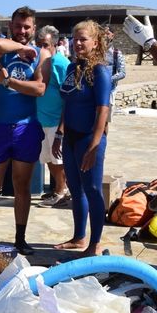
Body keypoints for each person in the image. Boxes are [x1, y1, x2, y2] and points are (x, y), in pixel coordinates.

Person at [0, 6, 46, 255]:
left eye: (27, 27)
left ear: (34, 29)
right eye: (18, 26)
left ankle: (20, 238)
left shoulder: (41, 55)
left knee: (22, 185)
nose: (23, 31)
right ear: (11, 27)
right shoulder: (3, 51)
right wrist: (20, 48)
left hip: (26, 127)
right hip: (0, 127)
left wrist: (7, 81)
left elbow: (39, 89)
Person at [51, 21, 112, 256]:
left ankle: (95, 243)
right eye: (74, 39)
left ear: (95, 42)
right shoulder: (71, 69)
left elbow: (102, 110)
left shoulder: (100, 71)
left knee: (94, 189)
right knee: (75, 189)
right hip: (70, 138)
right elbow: (67, 103)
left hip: (89, 139)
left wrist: (95, 145)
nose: (77, 43)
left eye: (83, 39)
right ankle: (79, 237)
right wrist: (59, 132)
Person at [34, 25, 71, 208]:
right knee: (48, 158)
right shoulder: (39, 61)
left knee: (58, 159)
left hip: (55, 120)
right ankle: (57, 187)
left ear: (54, 44)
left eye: (45, 44)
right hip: (41, 119)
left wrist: (61, 129)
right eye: (39, 44)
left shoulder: (61, 63)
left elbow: (68, 96)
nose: (42, 49)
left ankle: (61, 191)